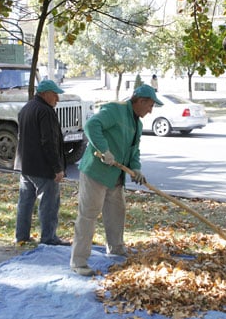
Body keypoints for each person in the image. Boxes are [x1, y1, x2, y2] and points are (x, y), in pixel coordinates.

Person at [70, 84, 163, 276]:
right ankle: (78, 261)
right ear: (141, 101)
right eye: (150, 105)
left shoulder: (137, 123)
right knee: (88, 215)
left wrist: (136, 168)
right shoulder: (115, 110)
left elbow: (134, 150)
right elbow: (91, 126)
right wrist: (104, 150)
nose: (151, 110)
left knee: (116, 213)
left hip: (116, 177)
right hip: (96, 172)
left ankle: (115, 248)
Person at [13, 79, 70, 246]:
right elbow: (49, 142)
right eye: (55, 95)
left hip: (25, 165)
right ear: (45, 94)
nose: (57, 99)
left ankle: (21, 236)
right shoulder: (46, 111)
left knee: (25, 202)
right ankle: (49, 238)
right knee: (49, 204)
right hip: (43, 167)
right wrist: (57, 168)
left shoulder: (26, 108)